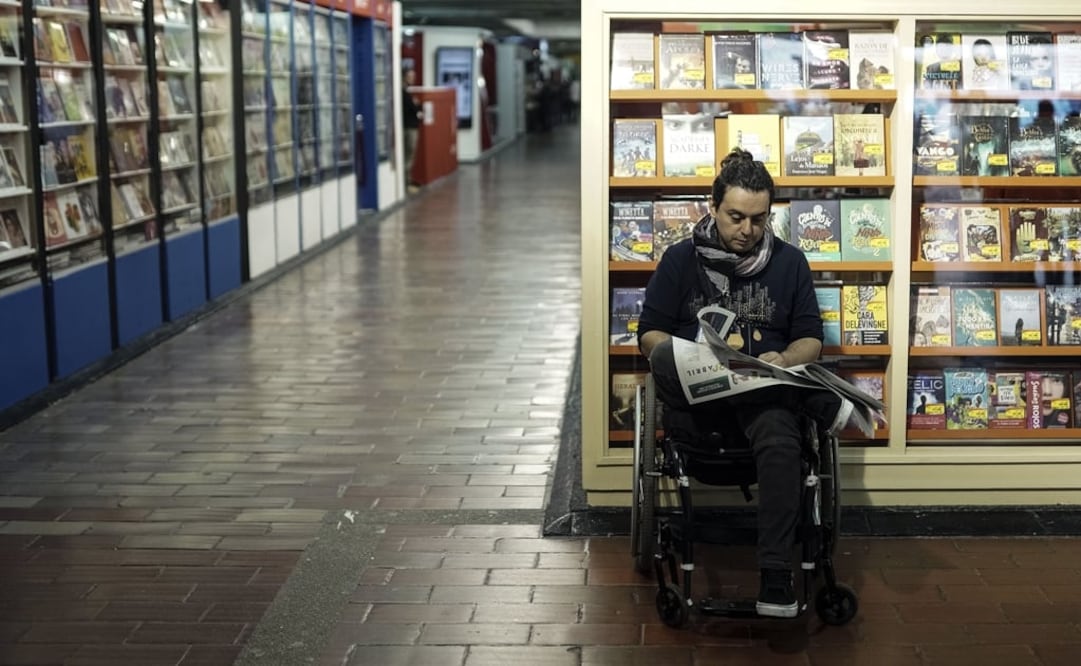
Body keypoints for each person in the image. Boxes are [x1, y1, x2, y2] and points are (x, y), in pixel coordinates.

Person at [637, 148, 853, 619]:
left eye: (758, 219)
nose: (747, 231)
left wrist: (783, 358)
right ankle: (816, 400)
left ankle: (776, 573)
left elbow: (810, 340)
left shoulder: (790, 263)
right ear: (713, 207)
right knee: (678, 364)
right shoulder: (679, 261)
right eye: (736, 217)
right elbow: (648, 333)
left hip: (764, 404)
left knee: (780, 434)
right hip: (699, 403)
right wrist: (688, 352)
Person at [401, 68, 422, 187]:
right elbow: (413, 107)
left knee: (409, 154)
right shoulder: (403, 93)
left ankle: (407, 179)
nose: (412, 78)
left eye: (413, 76)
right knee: (409, 153)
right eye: (410, 76)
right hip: (409, 127)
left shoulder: (407, 92)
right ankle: (406, 181)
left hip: (411, 125)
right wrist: (416, 106)